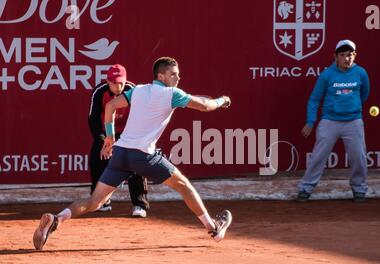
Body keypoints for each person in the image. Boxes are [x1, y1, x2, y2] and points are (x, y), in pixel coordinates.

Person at [33, 57, 232, 250]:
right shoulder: (172, 93)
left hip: (120, 155)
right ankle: (213, 229)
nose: (177, 78)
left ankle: (56, 219)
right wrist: (222, 100)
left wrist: (110, 138)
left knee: (94, 201)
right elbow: (206, 106)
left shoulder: (138, 90)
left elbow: (110, 106)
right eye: (173, 74)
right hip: (144, 156)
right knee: (184, 185)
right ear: (161, 76)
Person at [296, 40, 370, 202]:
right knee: (318, 157)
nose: (346, 58)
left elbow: (364, 94)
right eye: (342, 55)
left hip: (353, 122)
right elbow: (314, 99)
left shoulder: (361, 73)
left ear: (354, 56)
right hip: (329, 121)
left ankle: (359, 189)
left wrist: (352, 108)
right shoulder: (327, 75)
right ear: (335, 57)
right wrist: (310, 121)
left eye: (349, 55)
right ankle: (306, 188)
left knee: (359, 157)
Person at [88, 64, 149, 217]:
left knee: (136, 161)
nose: (118, 86)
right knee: (97, 157)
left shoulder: (134, 91)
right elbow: (93, 119)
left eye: (121, 82)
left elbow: (141, 118)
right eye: (114, 82)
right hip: (106, 133)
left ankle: (139, 205)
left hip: (129, 132)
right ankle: (101, 201)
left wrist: (129, 140)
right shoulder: (99, 92)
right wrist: (103, 140)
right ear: (108, 81)